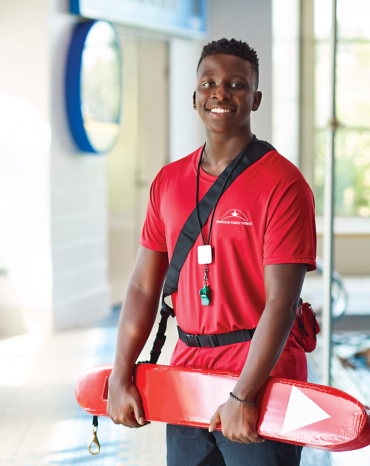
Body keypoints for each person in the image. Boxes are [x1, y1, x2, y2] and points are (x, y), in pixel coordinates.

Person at [106, 38, 317, 466]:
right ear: (195, 96)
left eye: (237, 85)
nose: (221, 93)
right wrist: (120, 372)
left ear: (255, 100)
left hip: (260, 376)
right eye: (209, 83)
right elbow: (144, 287)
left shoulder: (283, 185)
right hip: (188, 374)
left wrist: (244, 392)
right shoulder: (167, 181)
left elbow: (283, 301)